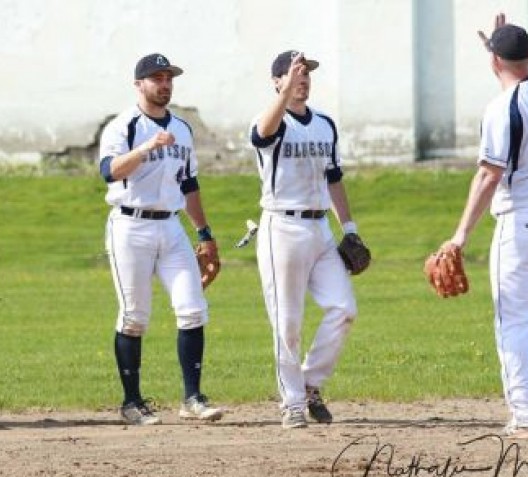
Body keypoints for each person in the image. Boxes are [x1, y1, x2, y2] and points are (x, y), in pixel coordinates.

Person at [98, 53, 223, 425]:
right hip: (129, 225)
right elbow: (109, 171)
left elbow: (189, 183)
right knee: (134, 317)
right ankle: (132, 402)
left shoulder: (183, 129)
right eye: (156, 78)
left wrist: (204, 233)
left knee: (193, 309)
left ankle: (193, 398)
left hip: (171, 226)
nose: (164, 84)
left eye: (168, 77)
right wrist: (146, 148)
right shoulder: (123, 126)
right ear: (139, 84)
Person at [249, 50, 365, 429]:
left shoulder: (325, 124)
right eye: (296, 72)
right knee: (288, 323)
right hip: (281, 227)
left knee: (344, 308)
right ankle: (293, 403)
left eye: (307, 72)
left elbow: (334, 179)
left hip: (319, 229)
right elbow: (262, 133)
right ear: (277, 81)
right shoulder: (272, 121)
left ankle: (310, 381)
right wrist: (282, 95)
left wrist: (349, 228)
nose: (304, 77)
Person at [443, 14, 528, 439]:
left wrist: (460, 235)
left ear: (495, 62)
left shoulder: (501, 108)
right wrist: (499, 49)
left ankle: (527, 415)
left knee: (514, 320)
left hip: (520, 224)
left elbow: (489, 175)